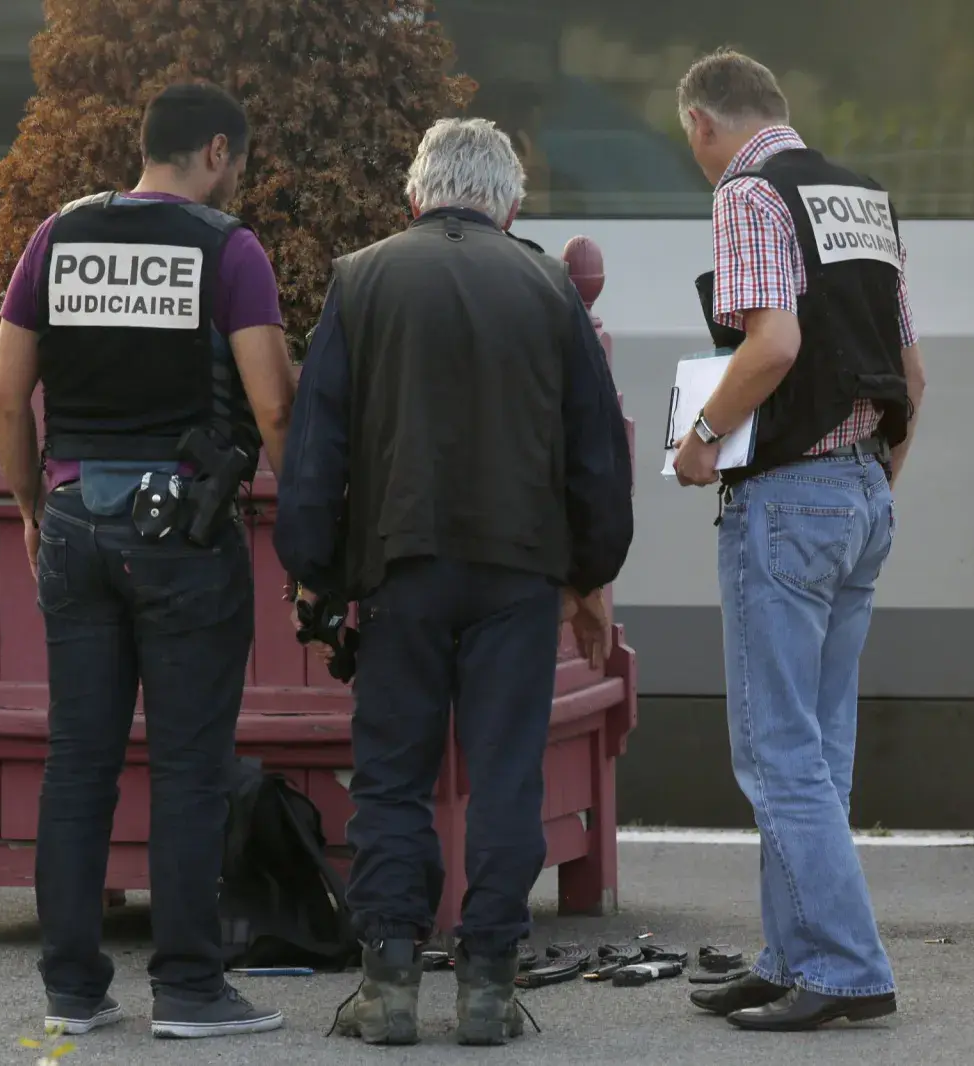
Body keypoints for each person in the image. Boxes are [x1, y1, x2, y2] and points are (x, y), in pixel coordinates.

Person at [273, 116, 632, 1047]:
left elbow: (317, 445)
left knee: (392, 777)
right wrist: (589, 573)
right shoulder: (551, 288)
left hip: (402, 569)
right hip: (520, 573)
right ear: (509, 206)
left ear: (414, 197)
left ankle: (389, 983)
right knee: (507, 775)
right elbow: (596, 453)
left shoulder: (362, 279)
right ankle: (487, 987)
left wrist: (314, 569)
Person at [0, 81, 295, 1040]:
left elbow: (5, 398)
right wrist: (314, 530)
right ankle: (190, 990)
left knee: (78, 764)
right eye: (237, 162)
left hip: (75, 522)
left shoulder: (55, 237)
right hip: (183, 537)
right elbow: (275, 408)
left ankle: (73, 991)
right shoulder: (228, 250)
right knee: (190, 768)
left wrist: (33, 505)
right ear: (215, 151)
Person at [671, 50, 926, 1032]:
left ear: (702, 123)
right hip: (861, 489)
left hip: (789, 496)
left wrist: (701, 437)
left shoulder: (748, 192)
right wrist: (869, 482)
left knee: (777, 752)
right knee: (817, 751)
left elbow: (773, 343)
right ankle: (791, 956)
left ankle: (846, 967)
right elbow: (910, 372)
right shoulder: (860, 196)